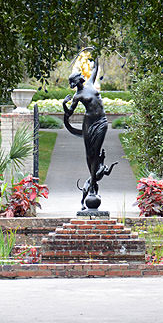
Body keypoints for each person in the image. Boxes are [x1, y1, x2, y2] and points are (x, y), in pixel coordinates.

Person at [62, 57, 116, 210]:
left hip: (101, 122)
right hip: (88, 123)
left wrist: (96, 53)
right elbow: (69, 114)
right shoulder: (77, 96)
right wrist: (64, 104)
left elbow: (95, 68)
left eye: (79, 78)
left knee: (97, 152)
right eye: (76, 79)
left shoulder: (91, 83)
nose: (79, 79)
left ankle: (92, 184)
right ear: (74, 83)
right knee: (89, 155)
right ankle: (92, 184)